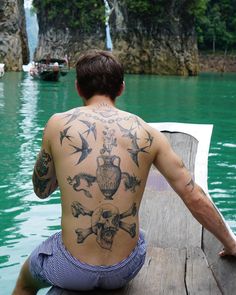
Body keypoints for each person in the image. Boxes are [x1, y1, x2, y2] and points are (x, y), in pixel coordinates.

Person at [13, 50, 236, 294]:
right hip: (125, 269)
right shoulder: (148, 133)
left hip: (72, 268)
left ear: (78, 88)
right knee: (140, 235)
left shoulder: (57, 124)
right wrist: (230, 243)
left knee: (26, 280)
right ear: (121, 88)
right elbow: (194, 196)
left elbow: (41, 191)